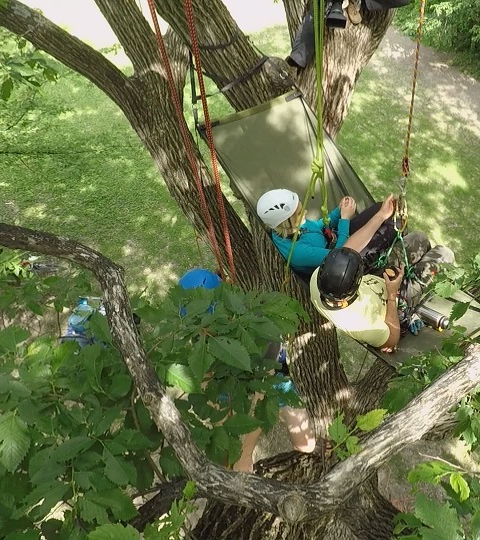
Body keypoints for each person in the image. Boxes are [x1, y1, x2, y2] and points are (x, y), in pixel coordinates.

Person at [178, 268, 315, 473]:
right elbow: (207, 379)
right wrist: (224, 427)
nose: (205, 333)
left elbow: (263, 392)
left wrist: (245, 452)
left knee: (307, 446)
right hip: (227, 378)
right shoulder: (202, 330)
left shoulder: (260, 330)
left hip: (270, 376)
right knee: (227, 450)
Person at [310, 233, 454, 353]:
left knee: (419, 238)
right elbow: (390, 343)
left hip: (377, 277)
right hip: (398, 299)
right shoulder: (362, 325)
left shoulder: (318, 277)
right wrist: (392, 294)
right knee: (445, 254)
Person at [257, 189, 399, 278]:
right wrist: (344, 219)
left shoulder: (290, 228)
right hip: (340, 265)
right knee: (392, 225)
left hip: (336, 240)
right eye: (300, 213)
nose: (305, 212)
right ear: (285, 223)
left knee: (381, 208)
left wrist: (338, 212)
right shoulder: (296, 252)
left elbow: (317, 227)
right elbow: (338, 257)